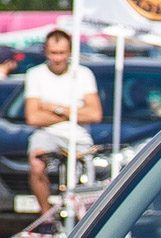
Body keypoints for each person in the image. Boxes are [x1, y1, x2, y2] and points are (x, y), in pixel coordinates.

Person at [24, 29, 101, 222]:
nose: (58, 58)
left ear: (69, 52)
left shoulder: (83, 74)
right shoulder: (35, 74)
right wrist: (74, 113)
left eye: (62, 53)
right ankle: (46, 216)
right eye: (53, 53)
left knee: (86, 168)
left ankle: (84, 217)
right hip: (47, 133)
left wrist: (55, 109)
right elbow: (32, 117)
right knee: (36, 161)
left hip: (77, 135)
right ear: (45, 52)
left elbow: (95, 113)